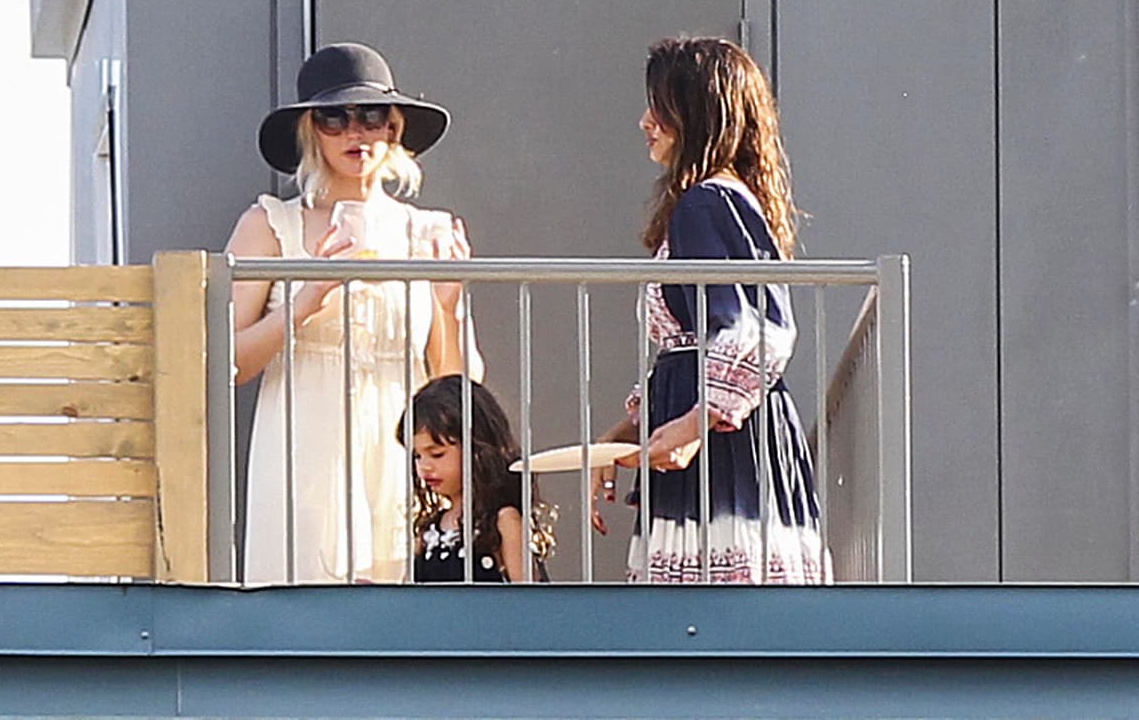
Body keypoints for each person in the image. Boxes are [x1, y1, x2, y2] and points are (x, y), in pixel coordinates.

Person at [230, 42, 482, 585]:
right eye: (333, 117)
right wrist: (307, 299)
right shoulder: (270, 224)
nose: (355, 132)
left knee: (402, 629)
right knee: (303, 622)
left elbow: (454, 390)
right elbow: (226, 362)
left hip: (399, 454)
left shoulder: (427, 232)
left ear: (394, 129)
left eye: (371, 115)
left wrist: (450, 303)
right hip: (304, 449)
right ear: (309, 132)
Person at [591, 36, 828, 584]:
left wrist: (694, 426)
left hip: (722, 452)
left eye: (661, 105)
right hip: (726, 433)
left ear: (696, 113)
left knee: (706, 621)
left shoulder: (703, 201)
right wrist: (628, 429)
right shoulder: (726, 198)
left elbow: (753, 328)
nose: (645, 120)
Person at [396, 375, 554, 583]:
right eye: (417, 456)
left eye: (437, 454)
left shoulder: (503, 522)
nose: (425, 466)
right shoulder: (428, 531)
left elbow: (530, 600)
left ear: (475, 448)